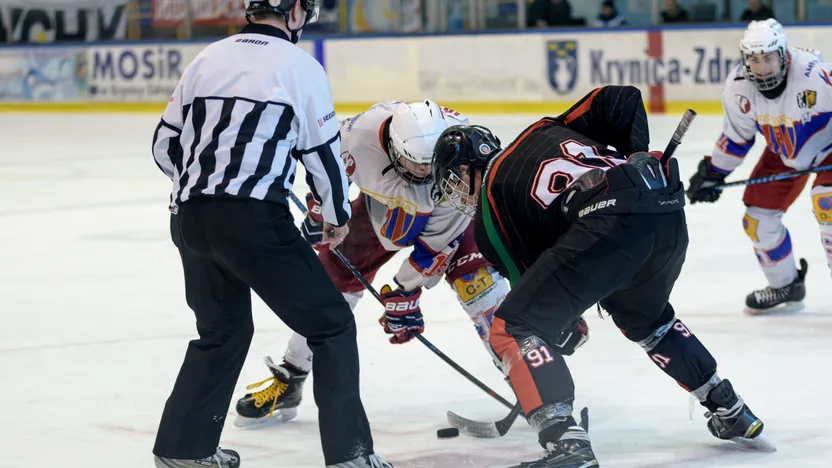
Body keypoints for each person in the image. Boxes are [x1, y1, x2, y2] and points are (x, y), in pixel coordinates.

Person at [432, 85, 774, 467]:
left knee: (513, 328)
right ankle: (729, 408)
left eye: (453, 181)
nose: (457, 193)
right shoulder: (544, 129)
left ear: (467, 169)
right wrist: (638, 152)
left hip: (609, 224)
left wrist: (562, 330)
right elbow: (622, 98)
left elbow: (533, 298)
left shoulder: (488, 210)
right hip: (665, 211)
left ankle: (565, 443)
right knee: (649, 321)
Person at [150, 1, 390, 467]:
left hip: (189, 218)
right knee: (332, 326)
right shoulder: (300, 66)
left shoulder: (208, 57)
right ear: (295, 10)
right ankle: (351, 456)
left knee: (223, 331)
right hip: (253, 221)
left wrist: (207, 185)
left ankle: (184, 451)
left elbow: (164, 145)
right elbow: (323, 155)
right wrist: (337, 216)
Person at [233, 100, 510, 426]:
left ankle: (530, 376)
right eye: (415, 163)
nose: (424, 172)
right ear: (393, 148)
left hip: (455, 213)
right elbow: (329, 170)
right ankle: (292, 376)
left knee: (479, 285)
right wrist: (324, 212)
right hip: (383, 209)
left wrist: (407, 289)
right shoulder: (357, 137)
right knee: (331, 282)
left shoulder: (458, 155)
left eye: (429, 164)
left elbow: (440, 238)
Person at [687, 19, 832, 315]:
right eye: (755, 60)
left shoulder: (815, 75)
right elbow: (736, 138)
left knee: (827, 202)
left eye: (768, 58)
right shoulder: (738, 87)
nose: (762, 68)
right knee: (757, 219)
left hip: (829, 147)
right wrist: (714, 172)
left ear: (783, 55)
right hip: (784, 151)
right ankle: (785, 285)